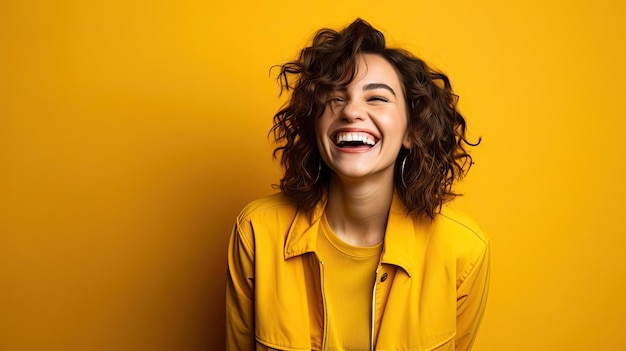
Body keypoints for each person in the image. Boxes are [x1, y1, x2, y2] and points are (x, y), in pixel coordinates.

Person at [226, 18, 490, 351]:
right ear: (314, 124)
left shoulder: (463, 250)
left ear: (412, 130)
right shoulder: (256, 232)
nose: (351, 111)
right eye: (335, 97)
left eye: (377, 98)